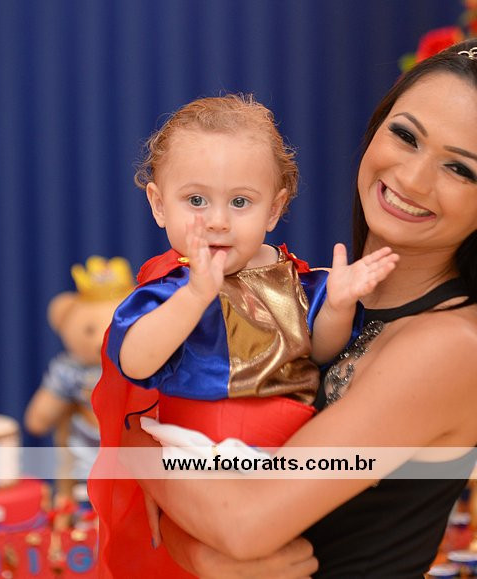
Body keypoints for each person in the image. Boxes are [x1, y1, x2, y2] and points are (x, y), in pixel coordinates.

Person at [93, 35, 477, 577]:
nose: (412, 178)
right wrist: (198, 548)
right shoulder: (312, 295)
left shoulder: (450, 347)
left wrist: (140, 446)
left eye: (459, 168)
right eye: (406, 136)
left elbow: (243, 522)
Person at [91, 94, 397, 577]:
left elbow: (319, 351)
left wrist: (338, 306)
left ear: (273, 210)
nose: (217, 220)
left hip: (282, 454)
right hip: (196, 451)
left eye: (240, 202)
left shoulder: (297, 282)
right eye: (196, 201)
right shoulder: (168, 292)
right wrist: (195, 296)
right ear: (159, 205)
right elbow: (136, 361)